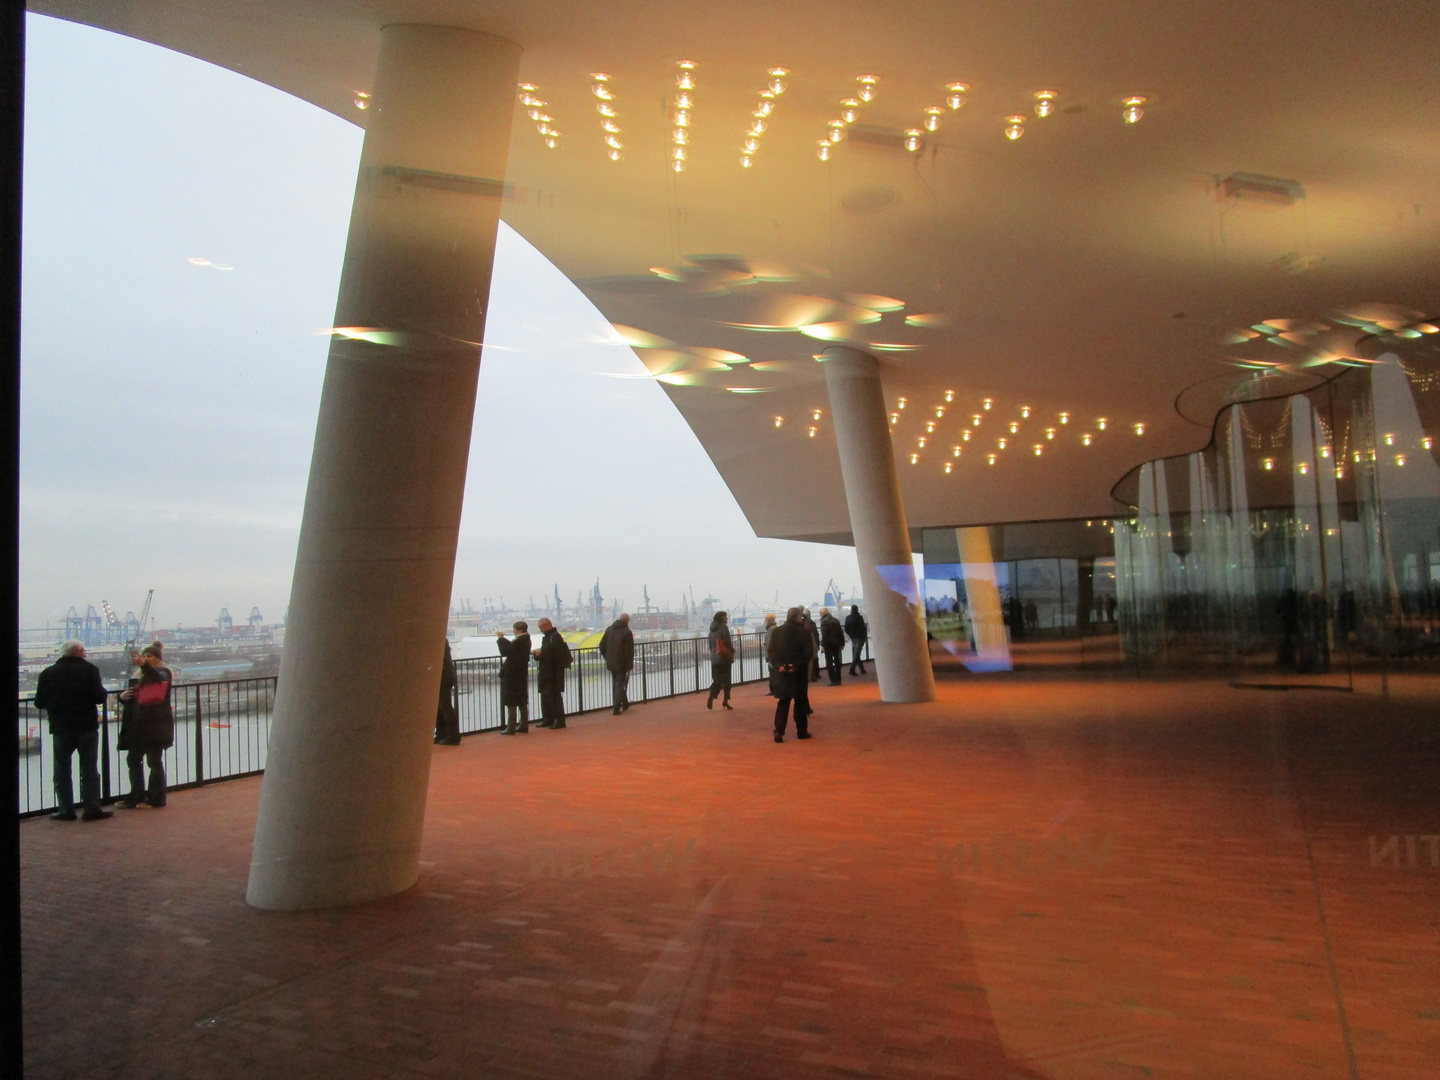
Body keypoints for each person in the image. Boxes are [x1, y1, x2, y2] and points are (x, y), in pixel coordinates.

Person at [33, 640, 111, 821]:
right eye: (83, 650)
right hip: (86, 726)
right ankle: (91, 808)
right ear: (78, 652)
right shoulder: (90, 670)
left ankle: (66, 810)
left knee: (62, 769)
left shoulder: (48, 673)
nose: (85, 653)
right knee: (89, 768)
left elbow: (39, 702)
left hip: (61, 727)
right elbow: (100, 697)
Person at [117, 643, 174, 808]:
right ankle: (136, 795)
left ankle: (156, 798)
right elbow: (136, 697)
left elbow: (156, 677)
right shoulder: (140, 674)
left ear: (157, 658)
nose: (146, 659)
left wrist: (144, 664)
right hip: (138, 723)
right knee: (133, 759)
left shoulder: (164, 672)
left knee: (153, 761)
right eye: (145, 656)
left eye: (150, 656)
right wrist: (122, 697)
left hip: (155, 724)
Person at [771, 608, 813, 743]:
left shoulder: (777, 632)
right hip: (798, 673)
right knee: (800, 701)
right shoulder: (804, 632)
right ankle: (801, 732)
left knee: (783, 702)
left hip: (782, 672)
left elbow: (771, 651)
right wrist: (796, 666)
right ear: (798, 617)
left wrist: (780, 666)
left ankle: (779, 731)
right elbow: (808, 654)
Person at [533, 617, 571, 729]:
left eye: (541, 628)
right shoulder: (549, 637)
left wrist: (541, 654)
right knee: (546, 697)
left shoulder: (555, 637)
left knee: (555, 697)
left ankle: (559, 720)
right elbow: (549, 653)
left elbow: (555, 656)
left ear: (546, 626)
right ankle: (548, 719)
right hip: (547, 672)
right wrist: (539, 655)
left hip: (553, 673)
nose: (541, 630)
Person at [496, 622, 532, 734]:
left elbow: (506, 651)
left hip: (512, 674)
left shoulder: (520, 641)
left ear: (519, 630)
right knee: (521, 700)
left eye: (514, 629)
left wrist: (501, 639)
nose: (513, 631)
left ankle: (510, 727)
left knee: (511, 700)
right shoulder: (526, 640)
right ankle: (523, 725)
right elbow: (512, 647)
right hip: (521, 674)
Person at [598, 612, 634, 715]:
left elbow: (602, 645)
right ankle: (616, 707)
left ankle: (625, 703)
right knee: (619, 684)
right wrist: (629, 665)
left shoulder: (609, 629)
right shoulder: (627, 632)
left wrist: (607, 657)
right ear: (627, 621)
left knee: (617, 683)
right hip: (621, 662)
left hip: (611, 662)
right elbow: (629, 651)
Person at [706, 610, 735, 710]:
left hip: (714, 658)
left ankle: (711, 696)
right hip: (724, 658)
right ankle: (725, 701)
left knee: (717, 680)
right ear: (722, 618)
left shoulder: (711, 629)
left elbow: (711, 645)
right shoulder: (724, 628)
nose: (727, 618)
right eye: (726, 617)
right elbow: (727, 643)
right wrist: (732, 652)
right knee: (727, 680)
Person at [434, 639, 460, 745]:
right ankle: (443, 734)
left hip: (443, 676)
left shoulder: (437, 641)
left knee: (445, 706)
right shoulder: (441, 641)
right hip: (446, 675)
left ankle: (451, 735)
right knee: (442, 706)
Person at [819, 607, 846, 686]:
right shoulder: (836, 620)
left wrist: (823, 646)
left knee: (829, 663)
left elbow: (825, 635)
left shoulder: (824, 622)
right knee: (837, 661)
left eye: (820, 614)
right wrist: (842, 643)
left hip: (828, 645)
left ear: (822, 614)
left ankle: (833, 680)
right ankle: (838, 679)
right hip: (836, 644)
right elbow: (840, 633)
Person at [844, 604, 868, 675]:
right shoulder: (859, 617)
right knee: (856, 655)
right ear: (857, 609)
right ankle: (852, 669)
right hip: (860, 637)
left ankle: (862, 669)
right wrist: (864, 636)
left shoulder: (847, 618)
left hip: (853, 638)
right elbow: (863, 628)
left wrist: (850, 635)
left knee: (856, 654)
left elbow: (846, 629)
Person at [762, 613, 781, 696]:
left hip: (771, 655)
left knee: (772, 672)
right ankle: (777, 688)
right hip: (777, 654)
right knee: (776, 672)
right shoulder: (777, 628)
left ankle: (772, 689)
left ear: (768, 621)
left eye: (766, 620)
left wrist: (767, 656)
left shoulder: (770, 630)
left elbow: (770, 644)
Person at [801, 608, 821, 682]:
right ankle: (813, 675)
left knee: (809, 662)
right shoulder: (812, 623)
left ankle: (810, 676)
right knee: (813, 661)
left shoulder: (803, 626)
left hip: (807, 646)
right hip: (811, 645)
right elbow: (816, 634)